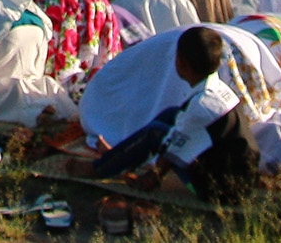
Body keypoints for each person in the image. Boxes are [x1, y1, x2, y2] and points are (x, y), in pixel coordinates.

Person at [92, 26, 260, 203]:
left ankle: (98, 169)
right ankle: (119, 158)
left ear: (182, 63)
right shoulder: (219, 91)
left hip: (223, 190)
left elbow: (171, 148)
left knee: (156, 133)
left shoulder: (201, 105)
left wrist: (154, 175)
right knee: (172, 115)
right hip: (238, 177)